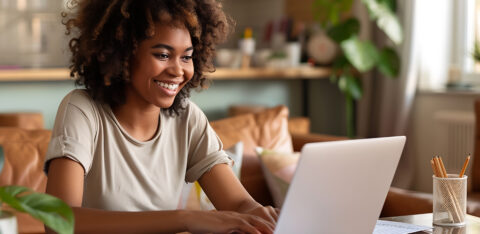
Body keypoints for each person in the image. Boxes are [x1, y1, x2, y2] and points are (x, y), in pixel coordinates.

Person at [44, 0, 279, 233]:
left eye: (186, 57)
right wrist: (185, 219)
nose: (178, 70)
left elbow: (238, 204)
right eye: (163, 55)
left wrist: (261, 214)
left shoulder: (187, 118)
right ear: (122, 53)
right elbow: (58, 220)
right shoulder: (83, 110)